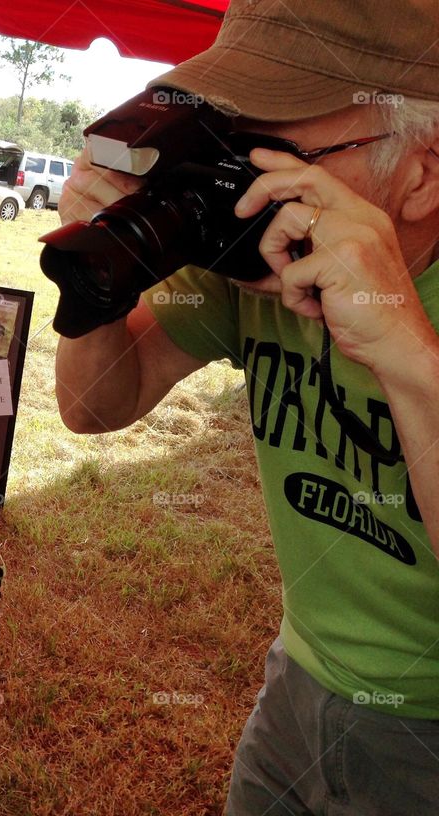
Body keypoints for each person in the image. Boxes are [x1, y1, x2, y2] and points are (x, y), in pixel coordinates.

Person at [56, 1, 439, 812]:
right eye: (231, 136)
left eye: (277, 150)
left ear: (423, 174)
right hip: (297, 681)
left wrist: (405, 348)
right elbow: (96, 406)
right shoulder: (264, 259)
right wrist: (99, 268)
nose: (238, 177)